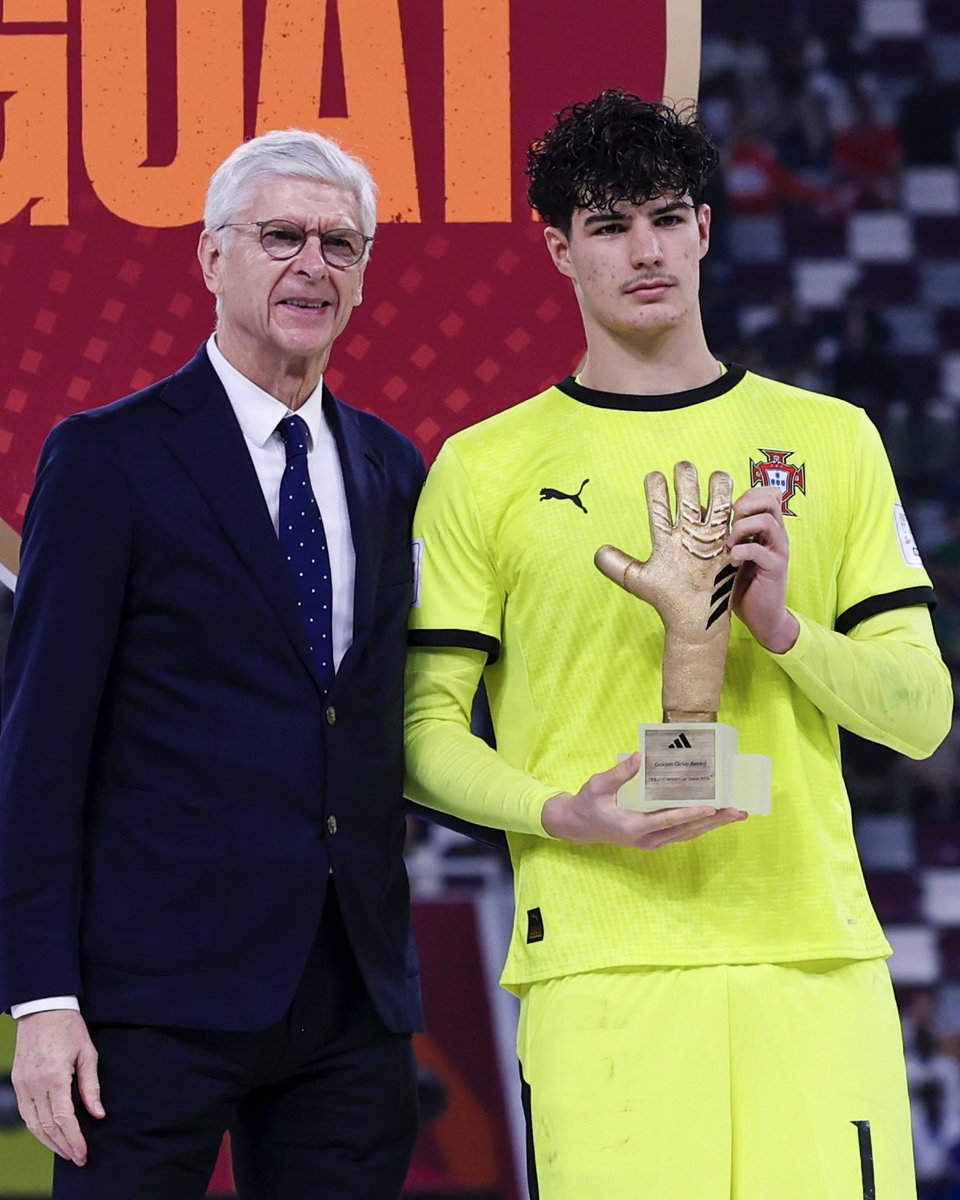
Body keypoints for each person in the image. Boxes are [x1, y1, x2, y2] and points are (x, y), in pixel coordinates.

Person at [404, 89, 953, 1199]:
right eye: (608, 226)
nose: (644, 250)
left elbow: (920, 710)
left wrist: (784, 629)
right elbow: (417, 735)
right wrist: (563, 812)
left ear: (705, 226)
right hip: (604, 964)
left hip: (811, 954)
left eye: (665, 216)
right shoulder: (482, 466)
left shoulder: (830, 440)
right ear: (559, 250)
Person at [0, 128, 425, 1199]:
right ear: (210, 256)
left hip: (350, 1001)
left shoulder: (392, 465)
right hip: (146, 1007)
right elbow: (38, 748)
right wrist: (42, 998)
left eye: (341, 243)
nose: (312, 265)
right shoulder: (107, 457)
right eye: (281, 235)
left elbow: (382, 717)